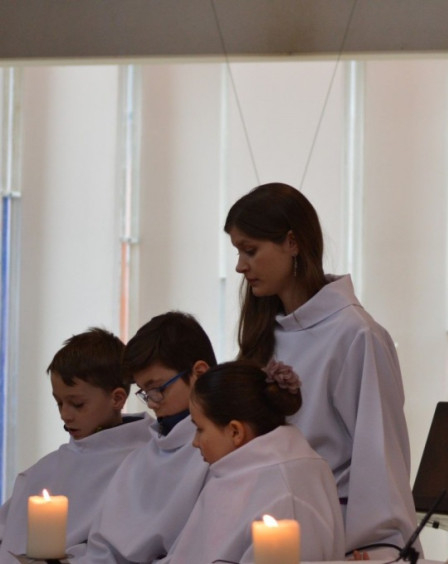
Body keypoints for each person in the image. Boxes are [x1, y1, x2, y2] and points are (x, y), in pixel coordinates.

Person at [224, 182, 418, 558]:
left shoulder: (356, 335)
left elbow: (379, 456)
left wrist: (377, 547)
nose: (240, 266)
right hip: (263, 520)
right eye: (238, 252)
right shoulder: (265, 332)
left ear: (292, 243)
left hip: (334, 533)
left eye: (250, 250)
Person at [157, 360, 345, 562]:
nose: (195, 442)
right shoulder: (236, 471)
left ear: (235, 432)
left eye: (200, 429)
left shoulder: (284, 490)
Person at [0, 328, 151, 561]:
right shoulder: (41, 471)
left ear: (117, 398)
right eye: (59, 403)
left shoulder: (145, 461)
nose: (65, 415)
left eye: (77, 404)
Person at [82, 311, 216, 563]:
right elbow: (101, 547)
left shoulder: (219, 455)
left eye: (157, 389)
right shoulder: (138, 461)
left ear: (199, 373)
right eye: (145, 392)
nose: (152, 403)